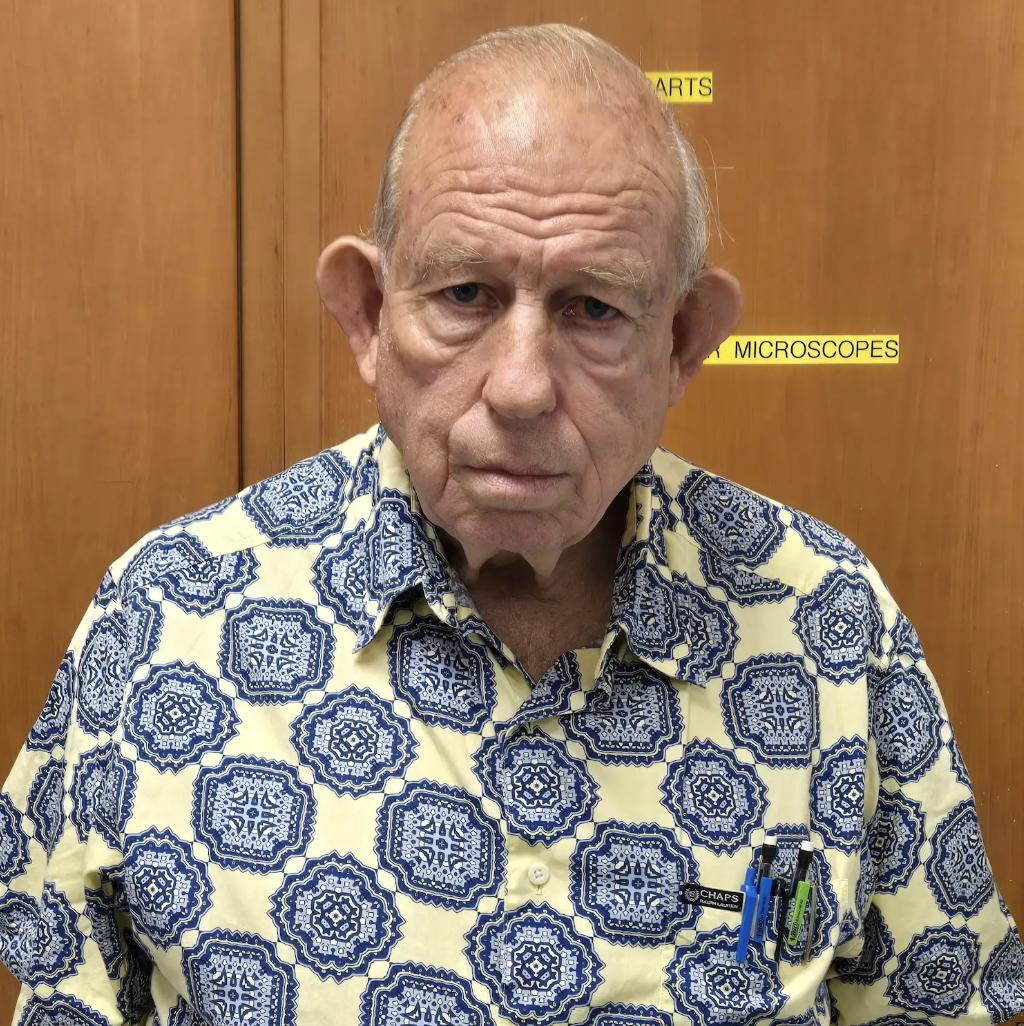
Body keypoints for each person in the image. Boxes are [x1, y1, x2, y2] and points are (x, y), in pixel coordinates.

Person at [1, 23, 1022, 1026]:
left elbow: (939, 1002)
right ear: (368, 314)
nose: (522, 388)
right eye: (465, 294)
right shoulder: (166, 617)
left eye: (594, 309)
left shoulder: (826, 619)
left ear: (681, 341)